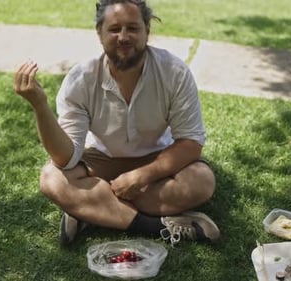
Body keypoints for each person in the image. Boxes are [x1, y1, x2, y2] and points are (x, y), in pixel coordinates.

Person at [13, 0, 220, 246]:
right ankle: (158, 226)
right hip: (99, 161)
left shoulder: (174, 72)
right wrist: (40, 106)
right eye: (114, 29)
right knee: (51, 179)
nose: (123, 37)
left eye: (132, 28)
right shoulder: (80, 79)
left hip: (156, 161)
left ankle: (92, 211)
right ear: (99, 34)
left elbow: (190, 143)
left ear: (147, 31)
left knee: (202, 181)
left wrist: (141, 176)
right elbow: (65, 159)